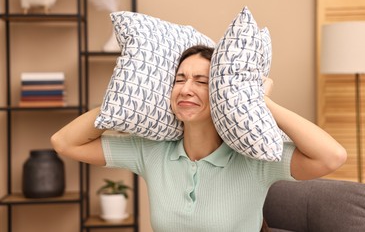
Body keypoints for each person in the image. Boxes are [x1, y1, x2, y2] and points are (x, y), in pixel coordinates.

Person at [51, 45, 347, 232]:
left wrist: (257, 101)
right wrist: (123, 101)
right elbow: (64, 142)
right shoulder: (151, 151)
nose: (186, 88)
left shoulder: (255, 160)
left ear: (220, 93)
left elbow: (332, 156)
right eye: (180, 79)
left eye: (201, 81)